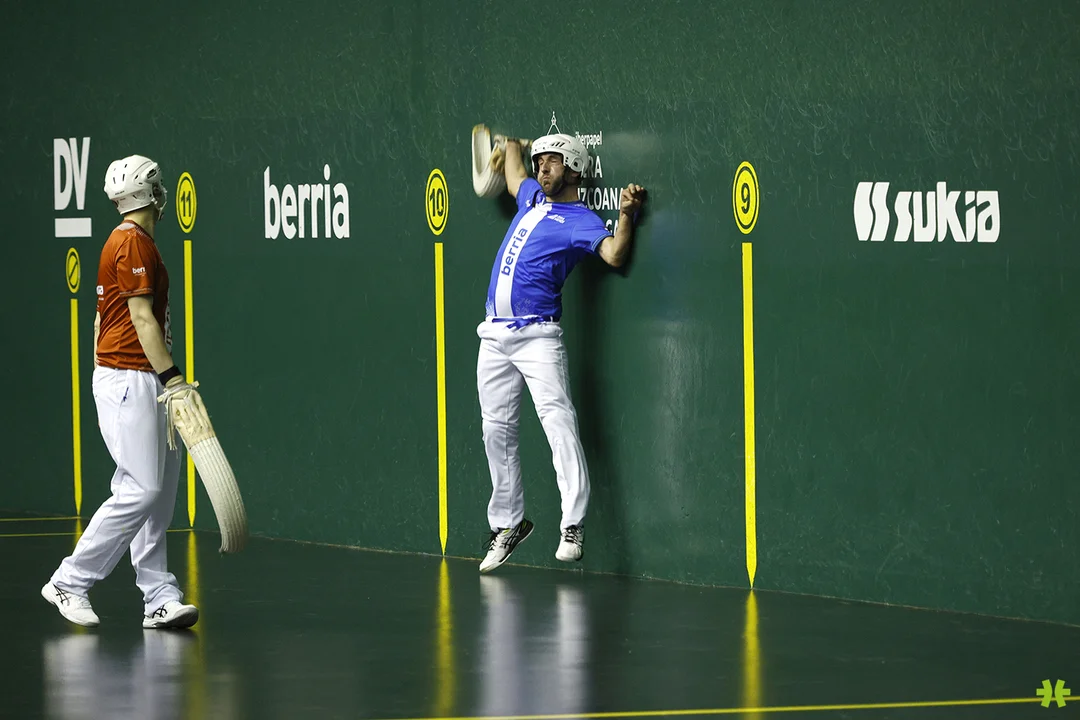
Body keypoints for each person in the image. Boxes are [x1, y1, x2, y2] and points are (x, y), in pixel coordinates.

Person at [41, 154, 199, 629]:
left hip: (139, 376)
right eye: (159, 187)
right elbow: (141, 318)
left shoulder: (136, 242)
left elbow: (100, 320)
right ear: (152, 194)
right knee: (141, 488)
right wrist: (174, 381)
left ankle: (159, 598)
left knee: (158, 495)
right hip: (132, 377)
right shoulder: (130, 243)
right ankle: (69, 580)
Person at [477, 132, 646, 573]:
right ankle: (508, 524)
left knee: (559, 425)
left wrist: (626, 214)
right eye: (540, 162)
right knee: (495, 431)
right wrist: (511, 145)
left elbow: (614, 254)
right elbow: (514, 175)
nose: (542, 169)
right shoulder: (532, 197)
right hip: (493, 335)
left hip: (537, 336)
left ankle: (572, 525)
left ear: (574, 168)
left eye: (552, 162)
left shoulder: (580, 220)